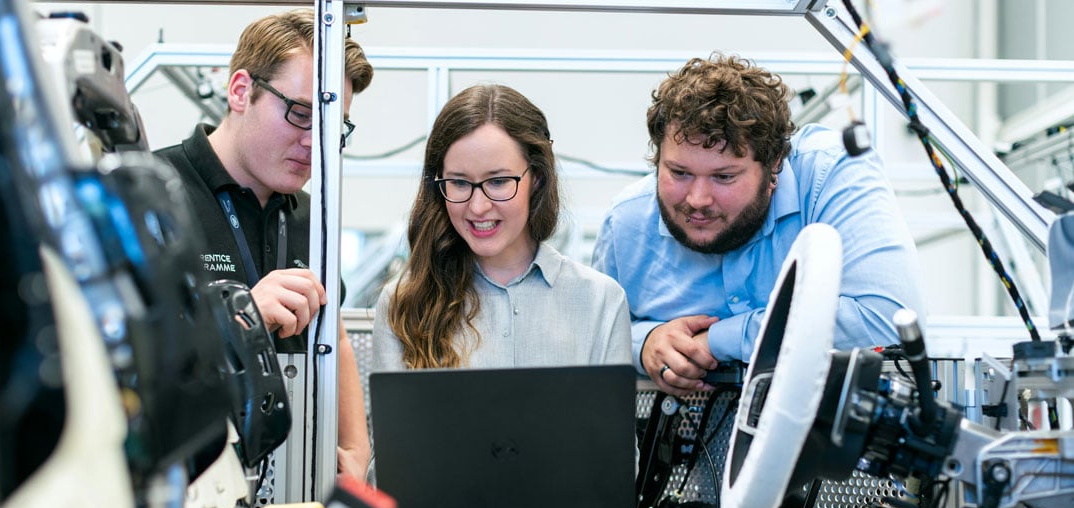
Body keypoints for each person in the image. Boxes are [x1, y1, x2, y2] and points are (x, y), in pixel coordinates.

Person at [592, 53, 926, 397]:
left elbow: (887, 318)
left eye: (724, 177)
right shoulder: (626, 224)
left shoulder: (830, 174)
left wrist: (717, 341)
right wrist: (644, 343)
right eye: (679, 173)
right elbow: (593, 337)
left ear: (774, 165)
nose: (697, 199)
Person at [155, 10, 372, 481]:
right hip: (187, 477)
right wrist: (240, 318)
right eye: (300, 113)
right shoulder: (152, 195)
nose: (314, 142)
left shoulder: (312, 216)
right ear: (240, 91)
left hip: (293, 479)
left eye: (334, 126)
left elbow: (332, 334)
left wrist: (355, 449)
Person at [372, 84, 631, 370]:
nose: (478, 207)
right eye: (459, 182)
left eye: (498, 182)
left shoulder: (601, 302)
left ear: (538, 178)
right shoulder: (403, 304)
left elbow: (606, 416)